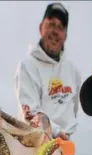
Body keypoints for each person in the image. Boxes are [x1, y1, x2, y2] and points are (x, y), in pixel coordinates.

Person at [14, 2, 82, 141]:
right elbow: (30, 113)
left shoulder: (73, 72)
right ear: (41, 28)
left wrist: (64, 136)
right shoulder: (27, 66)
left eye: (60, 27)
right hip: (34, 146)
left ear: (65, 36)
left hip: (64, 149)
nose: (55, 31)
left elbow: (73, 111)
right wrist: (56, 132)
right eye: (51, 24)